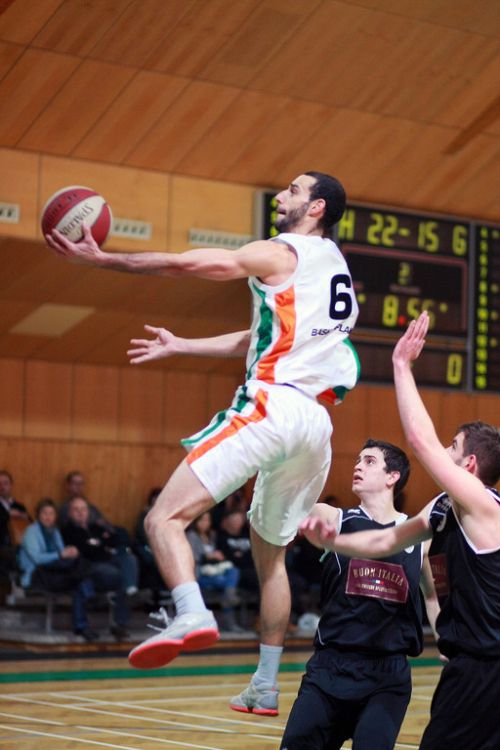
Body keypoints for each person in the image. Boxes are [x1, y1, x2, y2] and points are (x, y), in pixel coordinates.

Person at [45, 171, 360, 712]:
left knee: (162, 519)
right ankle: (265, 685)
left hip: (273, 406)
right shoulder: (335, 267)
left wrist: (105, 260)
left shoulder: (282, 252)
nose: (281, 196)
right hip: (316, 426)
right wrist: (183, 345)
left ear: (317, 207)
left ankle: (190, 612)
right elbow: (261, 336)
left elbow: (190, 264)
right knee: (271, 558)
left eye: (293, 190)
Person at [301, 312, 500, 750]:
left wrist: (401, 366)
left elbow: (421, 441)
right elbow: (387, 540)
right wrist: (332, 541)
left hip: (487, 669)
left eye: (452, 447)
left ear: (469, 464)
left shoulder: (483, 503)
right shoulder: (444, 508)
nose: (443, 450)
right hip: (468, 667)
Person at [279, 439, 439, 744]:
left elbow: (432, 596)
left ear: (392, 476)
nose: (358, 466)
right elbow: (296, 508)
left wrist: (446, 642)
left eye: (369, 461)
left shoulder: (418, 537)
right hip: (330, 668)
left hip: (387, 676)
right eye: (357, 460)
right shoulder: (334, 517)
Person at [18, 498, 98, 641]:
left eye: (51, 513)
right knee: (79, 576)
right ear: (38, 515)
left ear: (55, 516)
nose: (48, 517)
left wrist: (69, 551)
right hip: (38, 574)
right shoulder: (31, 531)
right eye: (44, 513)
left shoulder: (55, 531)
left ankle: (82, 627)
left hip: (54, 572)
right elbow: (37, 558)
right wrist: (61, 554)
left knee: (78, 575)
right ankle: (89, 598)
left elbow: (62, 553)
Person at [61, 496, 135, 639]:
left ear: (88, 512)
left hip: (108, 563)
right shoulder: (67, 531)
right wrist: (101, 543)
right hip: (89, 567)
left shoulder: (95, 527)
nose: (80, 512)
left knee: (130, 560)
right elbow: (85, 550)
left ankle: (131, 590)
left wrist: (99, 543)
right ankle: (126, 602)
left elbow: (115, 539)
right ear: (70, 513)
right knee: (120, 576)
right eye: (76, 509)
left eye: (83, 509)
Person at [187, 510, 241, 632]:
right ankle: (230, 619)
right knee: (225, 585)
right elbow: (191, 557)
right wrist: (209, 556)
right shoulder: (192, 536)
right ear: (196, 521)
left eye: (208, 520)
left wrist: (218, 556)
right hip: (200, 573)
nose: (205, 523)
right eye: (202, 520)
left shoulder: (211, 535)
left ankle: (229, 594)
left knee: (234, 571)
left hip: (215, 570)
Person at [0, 470, 31, 580]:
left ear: (11, 485)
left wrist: (24, 516)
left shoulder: (19, 506)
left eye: (5, 483)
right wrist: (8, 514)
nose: (2, 487)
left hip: (18, 543)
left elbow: (29, 524)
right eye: (0, 484)